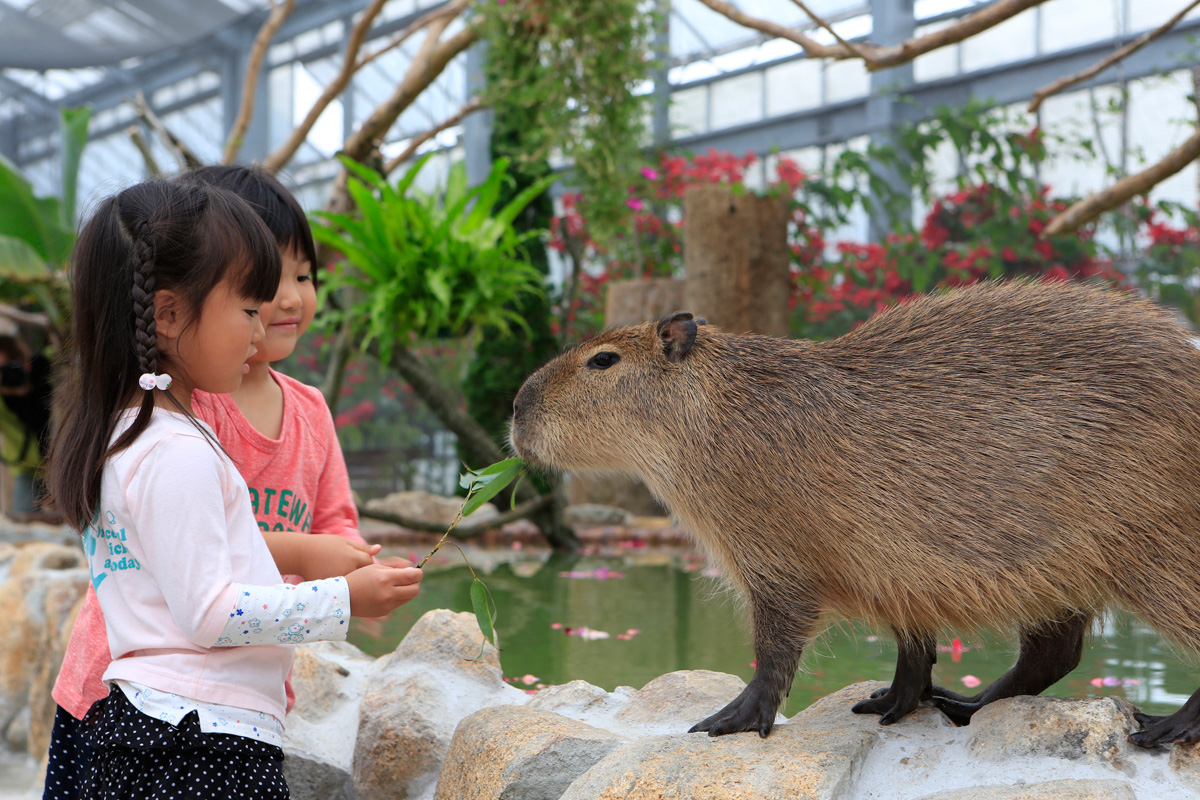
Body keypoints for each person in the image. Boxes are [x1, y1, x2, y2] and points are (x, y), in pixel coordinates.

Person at [43, 178, 422, 800]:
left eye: (301, 279)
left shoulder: (132, 434)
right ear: (167, 313)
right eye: (249, 306)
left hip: (172, 722)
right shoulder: (177, 449)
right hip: (195, 737)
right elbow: (212, 612)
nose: (264, 321)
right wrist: (340, 600)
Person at [0, 332, 54, 519]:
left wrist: (30, 383)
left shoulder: (40, 371)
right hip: (26, 465)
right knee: (24, 519)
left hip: (56, 461)